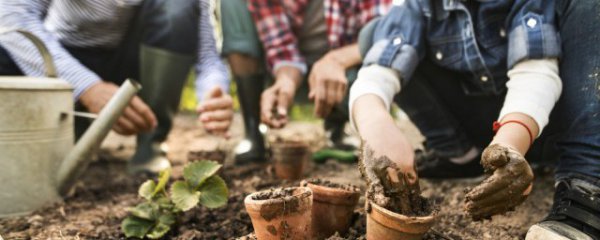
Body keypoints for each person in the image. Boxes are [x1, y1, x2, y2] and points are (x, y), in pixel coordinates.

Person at [351, 0, 600, 239]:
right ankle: (461, 157)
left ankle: (585, 185)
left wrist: (510, 143)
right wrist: (376, 125)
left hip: (546, 126)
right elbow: (377, 73)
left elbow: (535, 72)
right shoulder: (419, 6)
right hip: (485, 136)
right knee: (374, 34)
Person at [0, 0, 233, 174]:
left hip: (135, 62)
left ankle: (150, 142)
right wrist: (86, 87)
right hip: (70, 58)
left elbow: (208, 56)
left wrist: (214, 92)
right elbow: (11, 16)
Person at [220, 0, 394, 164]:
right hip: (285, 73)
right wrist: (286, 81)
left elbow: (384, 35)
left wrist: (336, 61)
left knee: (381, 62)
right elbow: (281, 47)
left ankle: (337, 124)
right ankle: (252, 131)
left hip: (345, 74)